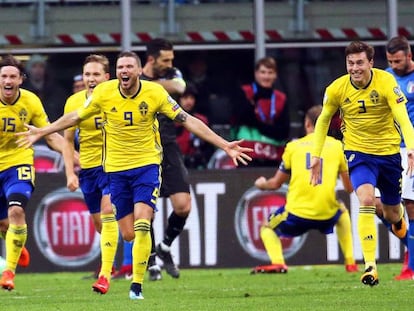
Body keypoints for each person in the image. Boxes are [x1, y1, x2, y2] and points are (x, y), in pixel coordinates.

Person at [16, 51, 252, 300]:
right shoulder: (105, 93)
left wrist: (224, 144)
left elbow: (187, 120)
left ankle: (136, 285)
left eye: (129, 66)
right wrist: (44, 130)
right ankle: (136, 263)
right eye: (121, 67)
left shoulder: (155, 93)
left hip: (146, 166)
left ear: (139, 71)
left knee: (141, 223)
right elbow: (75, 116)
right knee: (128, 233)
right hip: (116, 170)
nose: (124, 71)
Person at [309, 40, 414, 287]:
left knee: (392, 211)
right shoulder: (336, 89)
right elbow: (323, 120)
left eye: (359, 63)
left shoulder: (386, 82)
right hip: (358, 153)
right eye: (350, 63)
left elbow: (402, 118)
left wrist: (411, 147)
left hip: (389, 154)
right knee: (366, 199)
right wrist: (316, 155)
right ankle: (370, 266)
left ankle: (398, 221)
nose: (354, 68)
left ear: (370, 63)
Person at [114, 38, 191, 282]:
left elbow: (179, 86)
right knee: (145, 211)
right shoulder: (130, 80)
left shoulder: (167, 76)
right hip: (143, 150)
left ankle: (165, 246)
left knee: (183, 205)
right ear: (150, 60)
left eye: (171, 59)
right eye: (165, 60)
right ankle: (151, 260)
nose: (170, 64)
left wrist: (148, 85)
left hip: (168, 146)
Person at [251, 105, 358, 274]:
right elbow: (349, 188)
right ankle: (351, 262)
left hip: (296, 214)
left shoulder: (293, 147)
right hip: (327, 213)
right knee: (342, 212)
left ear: (307, 124)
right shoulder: (337, 146)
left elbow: (275, 184)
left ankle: (278, 262)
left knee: (266, 227)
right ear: (327, 124)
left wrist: (261, 184)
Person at [0, 55, 65, 290]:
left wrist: (71, 155)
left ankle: (8, 272)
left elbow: (49, 134)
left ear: (20, 79)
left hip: (19, 163)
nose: (8, 80)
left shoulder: (31, 102)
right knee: (5, 225)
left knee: (16, 209)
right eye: (4, 76)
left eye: (12, 76)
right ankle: (16, 243)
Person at [61, 54, 118, 294]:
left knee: (107, 211)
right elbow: (66, 141)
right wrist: (70, 174)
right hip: (88, 169)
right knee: (100, 224)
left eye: (96, 74)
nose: (91, 79)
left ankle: (105, 274)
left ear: (106, 77)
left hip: (114, 165)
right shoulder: (73, 102)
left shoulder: (116, 98)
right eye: (87, 74)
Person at [383, 36, 414, 280]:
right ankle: (409, 245)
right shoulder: (385, 77)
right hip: (389, 147)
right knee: (377, 204)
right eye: (390, 61)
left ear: (409, 55)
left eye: (398, 60)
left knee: (411, 205)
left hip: (412, 147)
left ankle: (411, 266)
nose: (394, 65)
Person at [232, 56, 290, 167]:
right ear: (256, 73)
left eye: (270, 72)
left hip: (273, 156)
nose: (266, 76)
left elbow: (284, 131)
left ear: (275, 75)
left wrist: (259, 126)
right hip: (248, 155)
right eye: (263, 72)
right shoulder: (245, 93)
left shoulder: (281, 98)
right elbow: (241, 118)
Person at [176, 84, 213, 169]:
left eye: (191, 98)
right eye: (185, 98)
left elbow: (209, 146)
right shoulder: (170, 122)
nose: (189, 101)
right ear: (178, 100)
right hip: (175, 165)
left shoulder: (202, 120)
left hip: (198, 166)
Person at [22, 54, 68, 121]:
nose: (38, 70)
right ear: (29, 69)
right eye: (34, 66)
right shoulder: (23, 92)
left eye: (41, 66)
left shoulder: (57, 91)